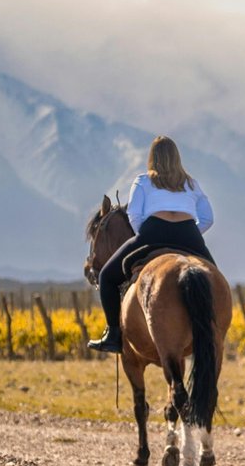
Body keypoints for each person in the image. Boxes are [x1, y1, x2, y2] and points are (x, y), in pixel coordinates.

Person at [88, 136, 216, 354]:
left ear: (152, 158)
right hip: (189, 234)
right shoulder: (191, 183)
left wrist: (145, 237)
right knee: (214, 279)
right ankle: (214, 331)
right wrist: (190, 233)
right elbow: (208, 218)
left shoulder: (143, 181)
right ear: (177, 157)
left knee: (107, 276)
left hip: (153, 231)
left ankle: (113, 335)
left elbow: (134, 215)